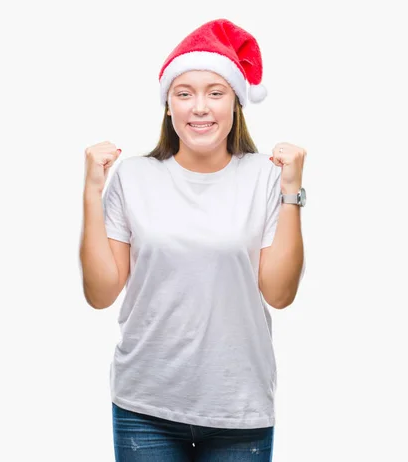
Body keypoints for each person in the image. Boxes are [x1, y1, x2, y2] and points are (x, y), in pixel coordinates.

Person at [80, 18, 307, 462]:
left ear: (236, 104)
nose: (199, 107)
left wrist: (291, 193)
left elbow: (279, 294)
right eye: (184, 93)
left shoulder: (266, 177)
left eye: (215, 92)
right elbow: (101, 293)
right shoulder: (135, 176)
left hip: (238, 407)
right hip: (144, 405)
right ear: (168, 106)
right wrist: (92, 192)